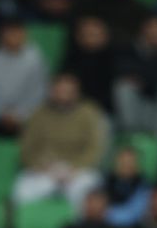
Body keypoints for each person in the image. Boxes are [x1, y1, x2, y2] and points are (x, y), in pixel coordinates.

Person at [12, 73, 105, 212]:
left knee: (89, 193)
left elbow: (94, 147)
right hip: (45, 170)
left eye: (68, 92)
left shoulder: (88, 113)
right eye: (60, 91)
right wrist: (42, 167)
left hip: (76, 170)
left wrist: (74, 168)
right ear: (52, 91)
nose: (63, 96)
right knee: (20, 191)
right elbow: (26, 149)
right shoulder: (38, 114)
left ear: (77, 93)